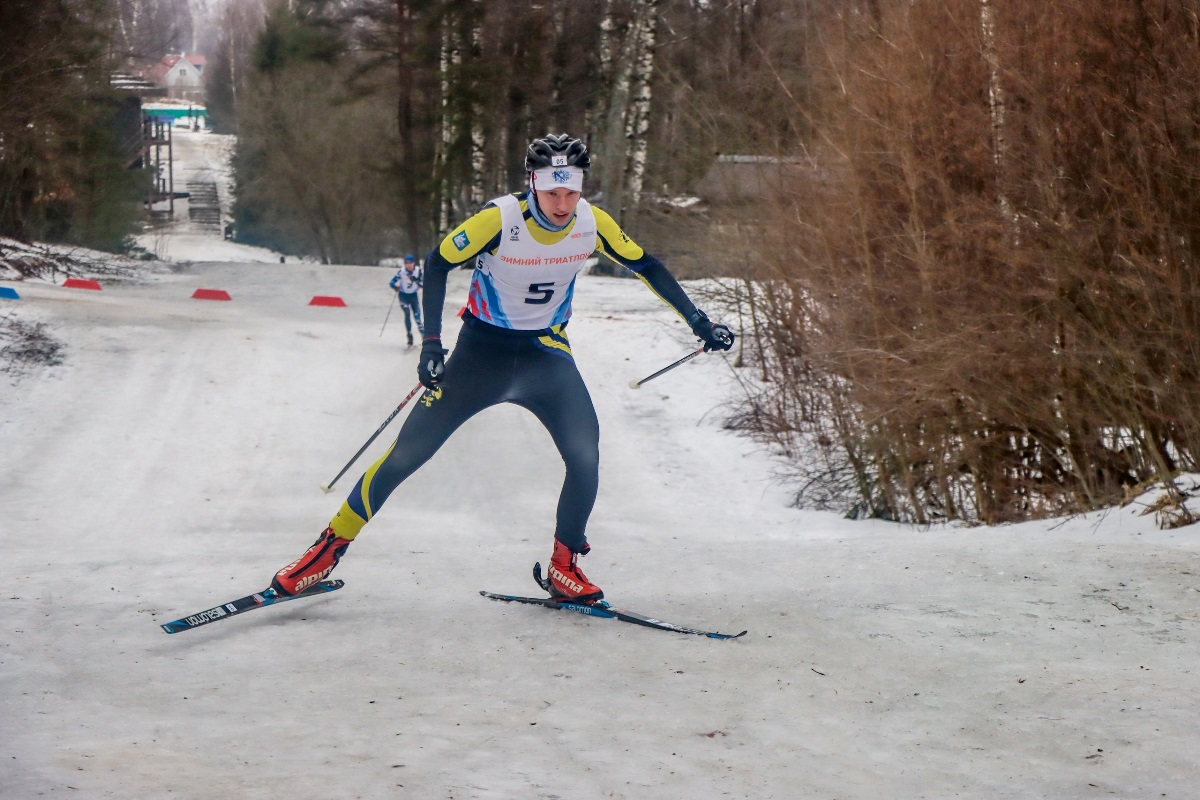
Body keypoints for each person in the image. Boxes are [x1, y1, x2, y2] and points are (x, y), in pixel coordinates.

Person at [270, 133, 734, 603]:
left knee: (585, 456)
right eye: (552, 191)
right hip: (480, 355)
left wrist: (698, 320)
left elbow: (647, 265)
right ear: (533, 183)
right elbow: (437, 263)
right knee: (406, 456)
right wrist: (431, 342)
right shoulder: (500, 219)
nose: (561, 202)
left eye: (571, 191)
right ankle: (324, 553)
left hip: (545, 356)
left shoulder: (593, 223)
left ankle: (564, 567)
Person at [388, 254, 424, 346]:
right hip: (403, 296)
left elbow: (423, 284)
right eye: (407, 263)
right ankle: (409, 336)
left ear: (414, 263)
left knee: (417, 317)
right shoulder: (401, 272)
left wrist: (416, 281)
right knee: (407, 314)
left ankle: (424, 337)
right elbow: (391, 282)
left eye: (410, 263)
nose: (409, 265)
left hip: (413, 296)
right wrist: (396, 287)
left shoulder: (418, 271)